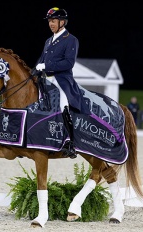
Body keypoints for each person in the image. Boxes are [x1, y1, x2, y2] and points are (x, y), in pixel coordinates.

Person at [35, 7, 90, 159]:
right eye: (49, 22)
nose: (51, 24)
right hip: (46, 79)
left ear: (62, 22)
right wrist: (34, 71)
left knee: (62, 104)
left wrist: (47, 66)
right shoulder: (48, 41)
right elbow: (41, 60)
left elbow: (68, 63)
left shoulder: (71, 40)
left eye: (53, 21)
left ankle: (70, 143)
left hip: (61, 80)